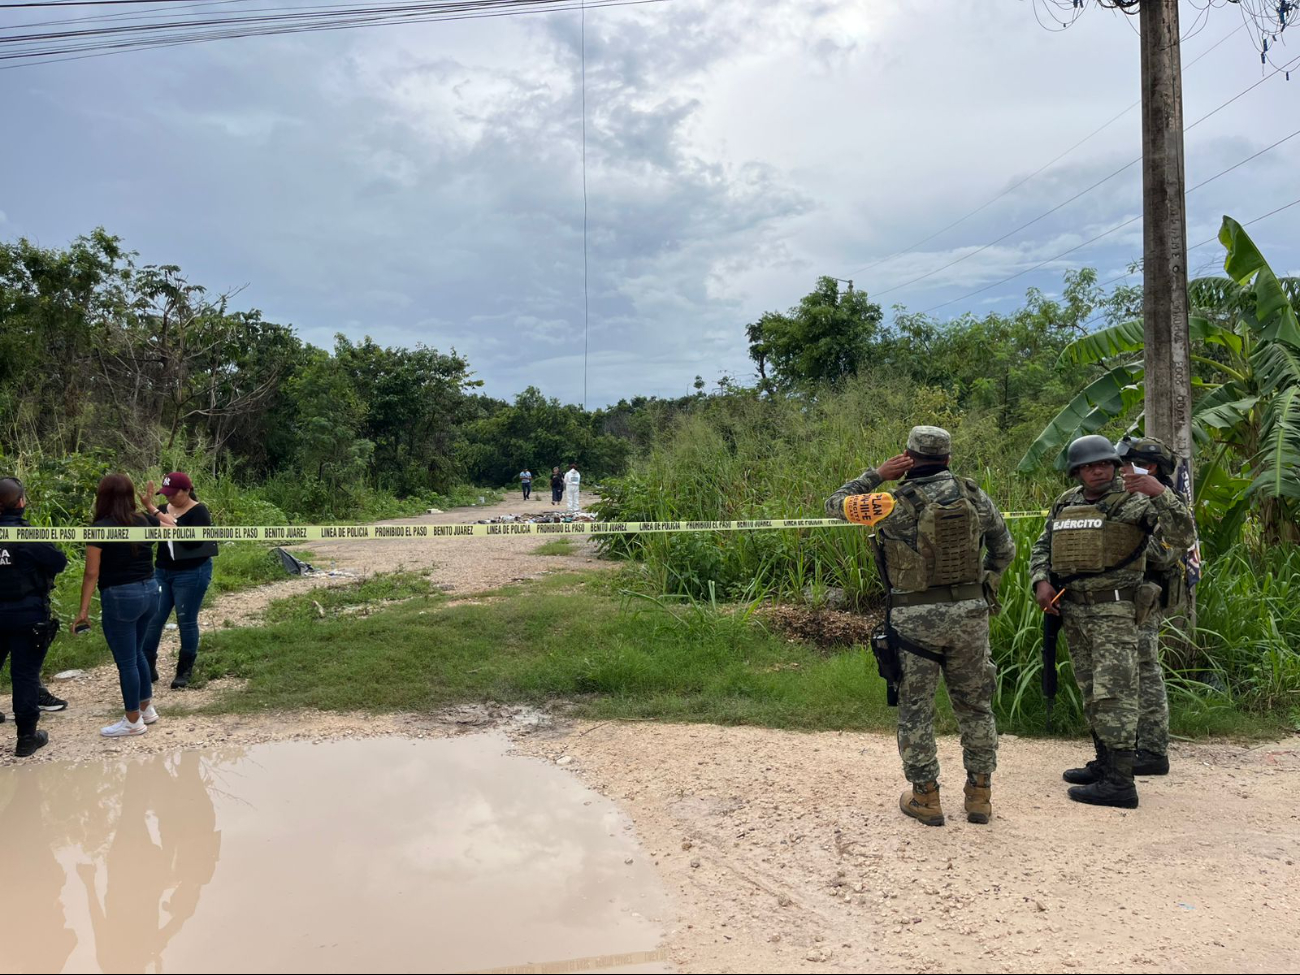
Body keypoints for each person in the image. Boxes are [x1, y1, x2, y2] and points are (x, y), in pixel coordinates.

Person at [826, 426, 1016, 827]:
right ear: (948, 459)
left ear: (907, 458)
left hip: (914, 622)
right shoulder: (975, 497)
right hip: (970, 617)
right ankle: (979, 795)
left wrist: (878, 474)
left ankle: (926, 799)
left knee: (916, 709)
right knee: (976, 705)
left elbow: (836, 503)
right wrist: (982, 588)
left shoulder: (889, 503)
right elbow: (1005, 550)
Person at [1029, 435, 1196, 808]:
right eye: (1089, 466)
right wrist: (1040, 579)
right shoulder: (1066, 502)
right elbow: (1043, 546)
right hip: (1074, 610)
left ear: (1114, 465)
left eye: (1104, 463)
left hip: (1116, 611)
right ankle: (1105, 765)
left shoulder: (1137, 501)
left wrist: (1160, 493)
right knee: (1091, 691)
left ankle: (1121, 783)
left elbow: (1181, 536)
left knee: (1115, 693)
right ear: (1077, 471)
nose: (1098, 470)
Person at [75, 474, 161, 738]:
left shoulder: (100, 527)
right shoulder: (146, 520)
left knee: (126, 661)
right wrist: (149, 505)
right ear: (129, 495)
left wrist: (83, 611)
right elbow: (172, 526)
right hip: (151, 591)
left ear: (103, 497)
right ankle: (146, 708)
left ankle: (133, 720)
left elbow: (91, 573)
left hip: (121, 596)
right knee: (136, 653)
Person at [0, 477, 69, 757]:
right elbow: (59, 561)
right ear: (21, 503)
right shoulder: (27, 535)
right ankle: (26, 738)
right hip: (27, 614)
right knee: (25, 675)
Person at [140, 472, 218, 689]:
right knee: (154, 618)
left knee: (186, 619)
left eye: (173, 494)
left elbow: (192, 540)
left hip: (192, 571)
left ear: (186, 490)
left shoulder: (199, 511)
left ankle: (184, 670)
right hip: (163, 570)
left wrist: (155, 513)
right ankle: (147, 666)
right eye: (166, 494)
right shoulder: (164, 509)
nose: (169, 499)